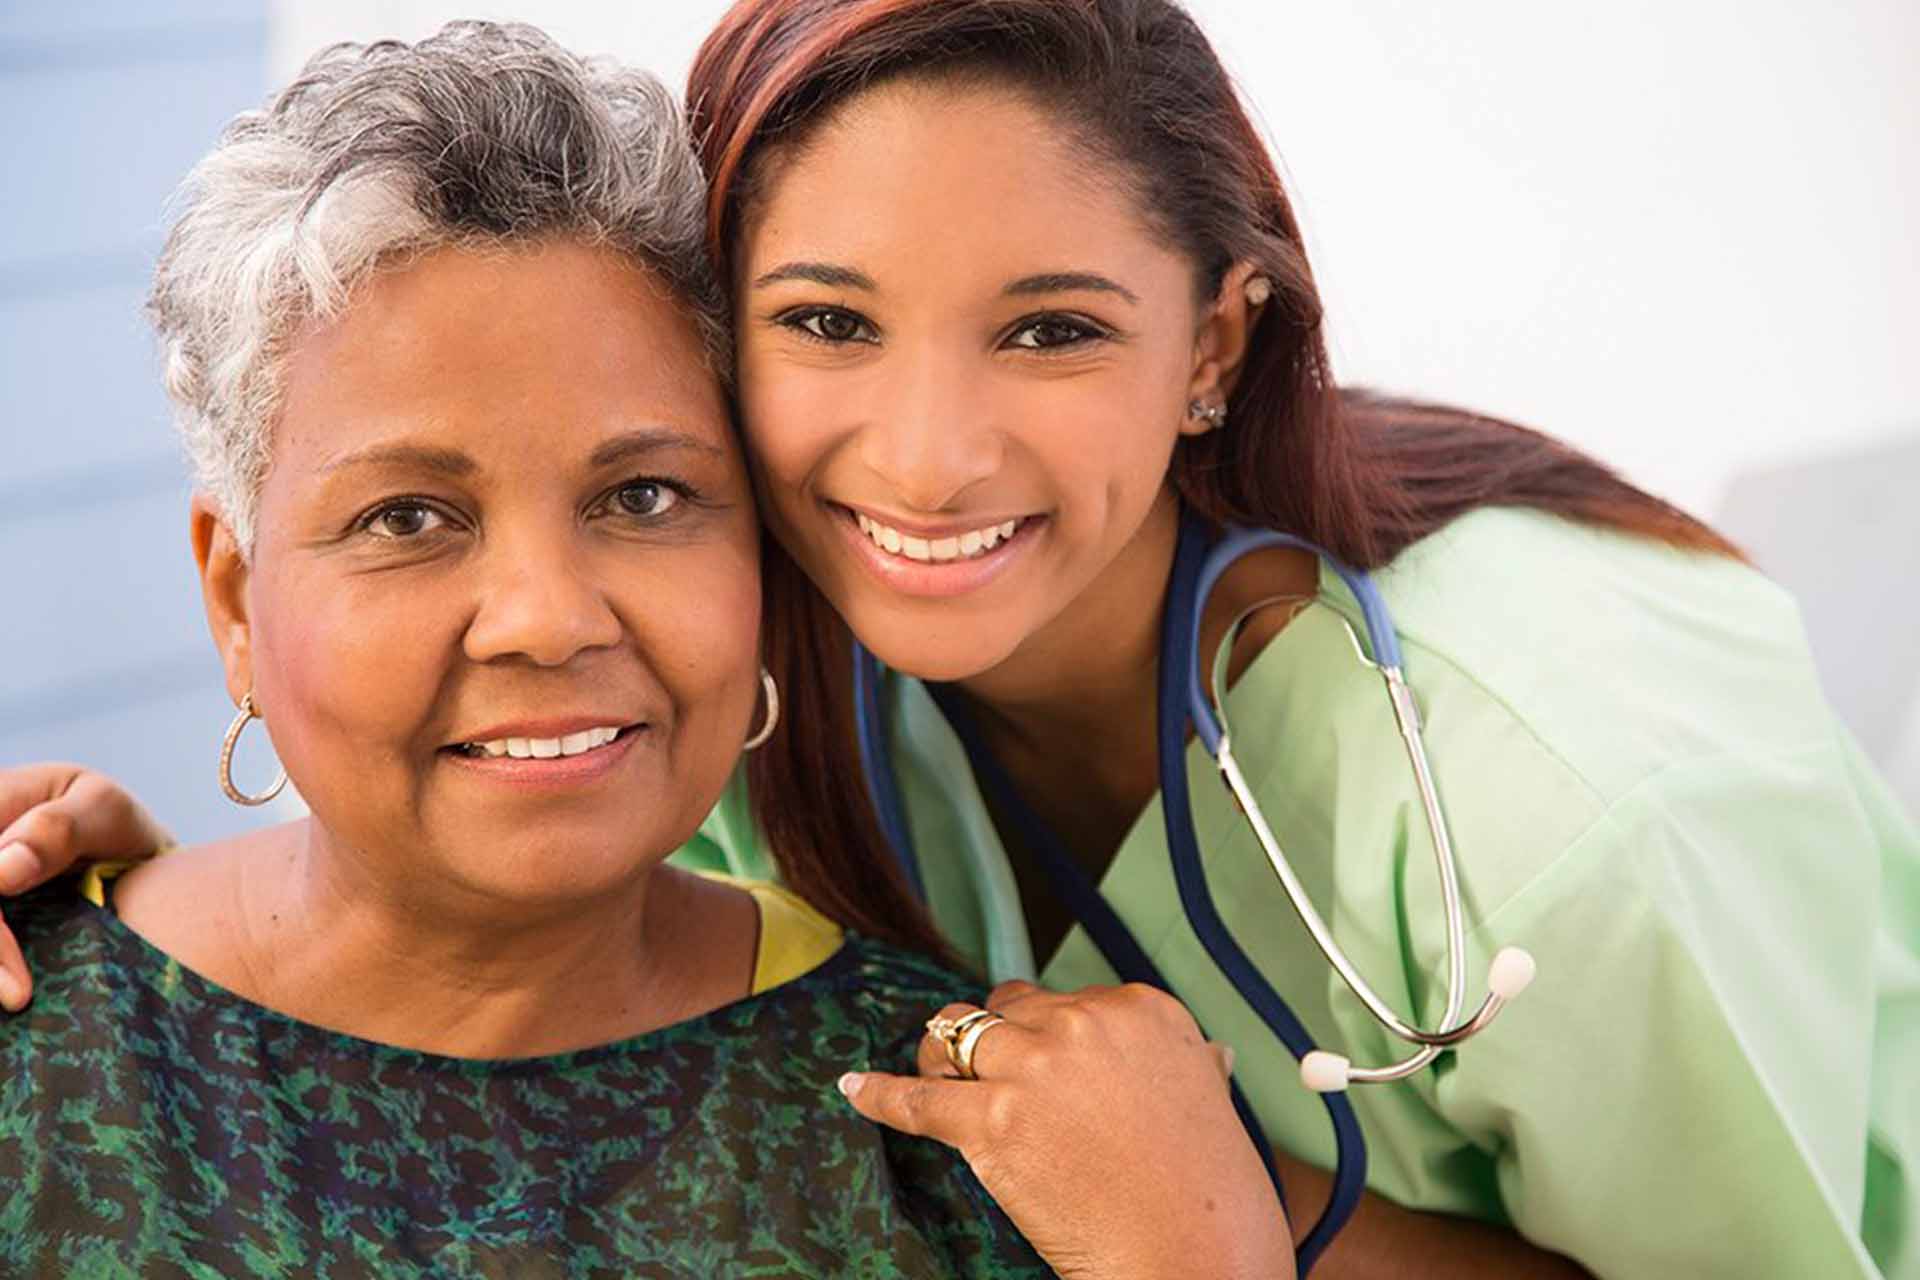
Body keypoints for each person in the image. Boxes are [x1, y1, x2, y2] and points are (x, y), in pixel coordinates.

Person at [4, 1, 1915, 1275]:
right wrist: (155, 975)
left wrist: (1225, 1235)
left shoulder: (1587, 813)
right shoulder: (801, 665)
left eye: (1052, 327)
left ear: (1216, 347)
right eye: (828, 322)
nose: (920, 458)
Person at [0, 23, 1295, 1279]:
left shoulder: (961, 1143)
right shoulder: (35, 1042)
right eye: (408, 517)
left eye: (643, 497)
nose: (548, 617)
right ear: (235, 599)